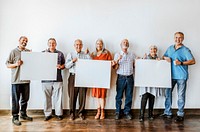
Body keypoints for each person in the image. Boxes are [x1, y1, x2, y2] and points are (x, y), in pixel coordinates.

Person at [161, 32, 195, 122]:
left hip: (181, 76)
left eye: (180, 38)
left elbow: (192, 61)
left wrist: (181, 63)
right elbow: (163, 56)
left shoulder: (185, 50)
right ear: (174, 38)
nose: (178, 39)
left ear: (183, 39)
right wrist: (165, 58)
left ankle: (180, 114)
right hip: (170, 76)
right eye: (176, 37)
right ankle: (168, 112)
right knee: (168, 94)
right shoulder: (170, 48)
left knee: (180, 96)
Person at [6, 36, 33, 126]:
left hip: (26, 80)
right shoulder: (13, 52)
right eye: (23, 40)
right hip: (16, 80)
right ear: (19, 41)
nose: (24, 42)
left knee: (25, 99)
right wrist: (16, 64)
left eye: (26, 41)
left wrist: (32, 57)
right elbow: (7, 64)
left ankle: (23, 114)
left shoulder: (28, 52)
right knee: (15, 100)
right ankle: (15, 117)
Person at [65, 39, 91, 120]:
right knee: (72, 96)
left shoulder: (85, 54)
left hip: (83, 77)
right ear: (74, 45)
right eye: (76, 44)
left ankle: (81, 113)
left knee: (82, 96)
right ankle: (72, 113)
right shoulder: (70, 54)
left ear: (82, 45)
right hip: (73, 76)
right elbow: (66, 66)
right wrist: (73, 61)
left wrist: (88, 54)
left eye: (80, 44)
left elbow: (90, 64)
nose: (78, 46)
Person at [139, 45, 165, 122]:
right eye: (151, 49)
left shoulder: (158, 59)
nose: (153, 51)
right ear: (149, 50)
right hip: (146, 82)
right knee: (144, 97)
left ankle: (150, 114)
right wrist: (142, 60)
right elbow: (141, 67)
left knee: (152, 98)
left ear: (156, 50)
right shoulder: (145, 58)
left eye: (154, 49)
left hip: (154, 81)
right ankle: (141, 115)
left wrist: (160, 62)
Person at [41, 38, 65, 121]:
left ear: (56, 44)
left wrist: (60, 66)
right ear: (48, 44)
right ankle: (48, 114)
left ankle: (59, 114)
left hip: (57, 79)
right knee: (46, 97)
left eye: (53, 43)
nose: (52, 44)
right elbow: (39, 65)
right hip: (45, 80)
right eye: (50, 43)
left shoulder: (60, 54)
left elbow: (64, 65)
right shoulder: (43, 53)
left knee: (58, 97)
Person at [112, 39, 135, 120]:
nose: (125, 43)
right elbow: (114, 68)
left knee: (129, 96)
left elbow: (135, 65)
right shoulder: (117, 54)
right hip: (121, 78)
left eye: (126, 42)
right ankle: (118, 112)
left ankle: (127, 112)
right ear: (121, 45)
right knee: (119, 96)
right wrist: (117, 60)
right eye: (124, 42)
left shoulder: (132, 54)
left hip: (130, 78)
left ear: (128, 45)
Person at [90, 39, 112, 120]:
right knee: (96, 95)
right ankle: (98, 111)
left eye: (100, 43)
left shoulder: (106, 53)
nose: (99, 45)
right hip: (95, 77)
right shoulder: (93, 54)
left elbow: (110, 63)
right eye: (97, 43)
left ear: (103, 45)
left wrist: (113, 63)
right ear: (95, 45)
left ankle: (103, 111)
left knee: (102, 95)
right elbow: (90, 65)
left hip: (103, 77)